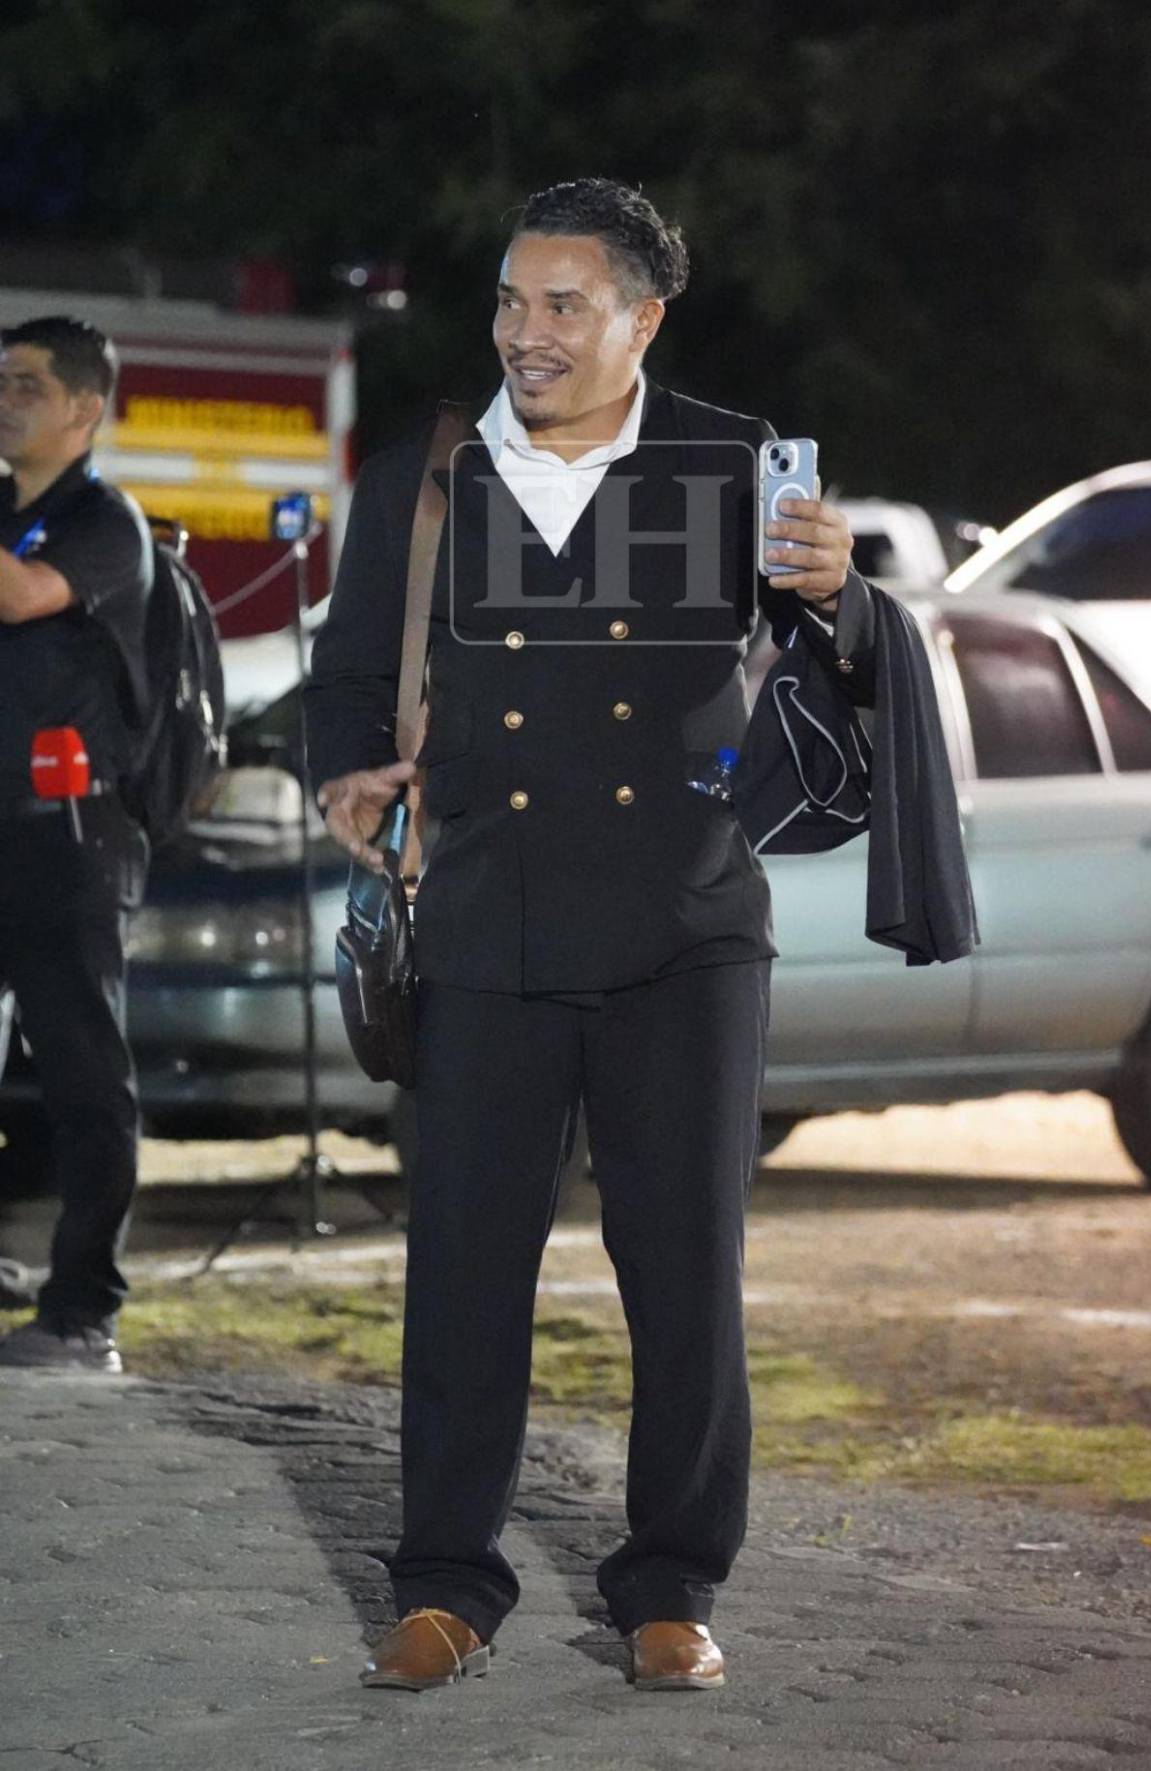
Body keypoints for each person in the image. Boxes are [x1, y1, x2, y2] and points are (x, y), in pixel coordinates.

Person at [305, 177, 867, 1694]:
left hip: (685, 929)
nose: (524, 332)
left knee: (685, 1273)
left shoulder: (731, 462)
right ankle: (444, 1582)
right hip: (486, 926)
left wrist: (845, 593)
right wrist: (349, 771)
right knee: (463, 1271)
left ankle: (672, 1581)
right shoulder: (426, 476)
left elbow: (838, 680)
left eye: (563, 304)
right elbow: (349, 677)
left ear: (644, 317)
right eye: (508, 300)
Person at [0, 316, 153, 1376]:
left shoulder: (105, 523)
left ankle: (83, 1309)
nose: (6, 401)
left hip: (68, 832)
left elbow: (18, 595)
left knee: (84, 1071)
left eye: (26, 386)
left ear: (84, 410)